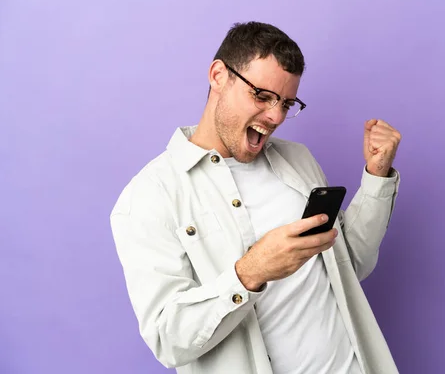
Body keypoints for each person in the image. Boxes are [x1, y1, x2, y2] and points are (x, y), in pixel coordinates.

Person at [110, 21, 402, 374]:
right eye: (262, 96)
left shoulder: (299, 160)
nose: (276, 116)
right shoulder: (149, 197)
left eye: (287, 102)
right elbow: (168, 340)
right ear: (219, 75)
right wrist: (251, 271)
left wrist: (376, 177)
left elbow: (350, 265)